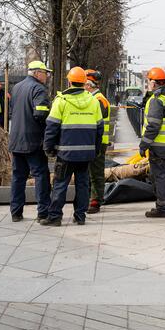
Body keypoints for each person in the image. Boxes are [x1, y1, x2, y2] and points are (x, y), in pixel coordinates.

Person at [41, 67, 103, 226]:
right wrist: (95, 149)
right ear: (84, 82)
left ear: (69, 81)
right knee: (83, 185)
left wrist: (48, 147)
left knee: (60, 184)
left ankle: (55, 217)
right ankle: (80, 216)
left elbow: (52, 127)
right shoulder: (93, 101)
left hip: (66, 153)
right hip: (86, 154)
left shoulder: (61, 101)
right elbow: (99, 129)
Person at [8, 61, 52, 223]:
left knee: (18, 177)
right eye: (44, 72)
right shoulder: (39, 89)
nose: (47, 76)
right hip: (33, 141)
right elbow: (41, 114)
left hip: (16, 140)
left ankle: (16, 213)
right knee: (41, 175)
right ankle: (43, 212)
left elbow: (14, 111)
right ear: (36, 73)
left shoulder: (17, 87)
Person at [140, 67, 165, 218]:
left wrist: (144, 144)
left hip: (158, 145)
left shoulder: (158, 100)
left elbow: (153, 126)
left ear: (154, 83)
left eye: (149, 81)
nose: (148, 84)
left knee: (160, 177)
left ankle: (162, 208)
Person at [84, 69, 110, 214]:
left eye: (83, 85)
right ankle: (93, 198)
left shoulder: (99, 100)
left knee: (96, 172)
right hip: (94, 141)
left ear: (89, 85)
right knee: (91, 171)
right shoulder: (96, 98)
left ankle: (95, 201)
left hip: (98, 142)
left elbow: (94, 122)